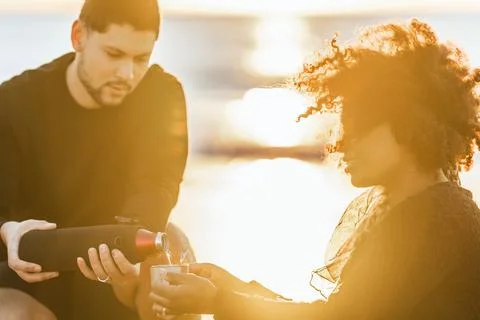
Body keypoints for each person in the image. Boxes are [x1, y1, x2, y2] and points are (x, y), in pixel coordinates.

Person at [149, 19, 480, 319]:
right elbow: (341, 312)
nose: (340, 142)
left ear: (410, 128)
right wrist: (233, 289)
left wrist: (219, 300)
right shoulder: (407, 209)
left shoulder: (440, 218)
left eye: (359, 127)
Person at [0, 0, 191, 319]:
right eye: (114, 54)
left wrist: (133, 242)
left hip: (121, 253)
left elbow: (157, 183)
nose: (127, 74)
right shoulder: (13, 102)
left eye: (140, 58)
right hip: (35, 268)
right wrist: (10, 232)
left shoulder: (162, 93)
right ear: (78, 37)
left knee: (174, 279)